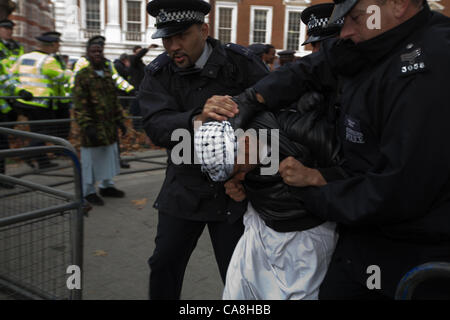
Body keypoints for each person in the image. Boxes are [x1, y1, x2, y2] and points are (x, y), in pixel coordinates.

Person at [228, 0, 450, 299]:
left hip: (412, 247)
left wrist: (312, 188)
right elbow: (312, 67)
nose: (344, 32)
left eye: (355, 17)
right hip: (362, 233)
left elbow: (399, 190)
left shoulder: (430, 69)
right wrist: (249, 100)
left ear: (398, 4)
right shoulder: (375, 39)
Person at [139, 0, 268, 300]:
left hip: (236, 192)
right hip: (183, 188)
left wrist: (251, 162)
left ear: (204, 29)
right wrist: (196, 118)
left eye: (181, 36)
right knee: (163, 264)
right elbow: (155, 126)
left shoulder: (242, 63)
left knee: (240, 274)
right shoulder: (158, 73)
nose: (173, 47)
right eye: (166, 39)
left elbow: (275, 116)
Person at [73, 36, 128, 206]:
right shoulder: (83, 75)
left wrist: (120, 121)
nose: (97, 53)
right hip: (92, 128)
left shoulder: (107, 73)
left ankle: (106, 186)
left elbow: (114, 99)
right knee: (90, 162)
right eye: (93, 51)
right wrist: (87, 126)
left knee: (109, 157)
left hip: (109, 127)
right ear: (88, 54)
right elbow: (79, 105)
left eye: (99, 51)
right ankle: (88, 192)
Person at [10, 31, 71, 169]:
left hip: (24, 101)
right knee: (45, 133)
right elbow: (61, 77)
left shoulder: (23, 57)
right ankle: (26, 154)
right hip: (41, 103)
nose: (58, 46)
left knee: (36, 131)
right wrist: (69, 71)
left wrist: (19, 90)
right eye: (58, 44)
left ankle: (42, 162)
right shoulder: (48, 60)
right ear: (52, 45)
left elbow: (10, 76)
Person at [128, 44, 158, 130]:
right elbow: (138, 56)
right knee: (137, 111)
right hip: (136, 89)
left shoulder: (140, 62)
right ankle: (136, 128)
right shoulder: (133, 59)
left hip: (142, 89)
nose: (141, 53)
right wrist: (147, 48)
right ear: (135, 52)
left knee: (141, 110)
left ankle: (140, 127)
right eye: (139, 52)